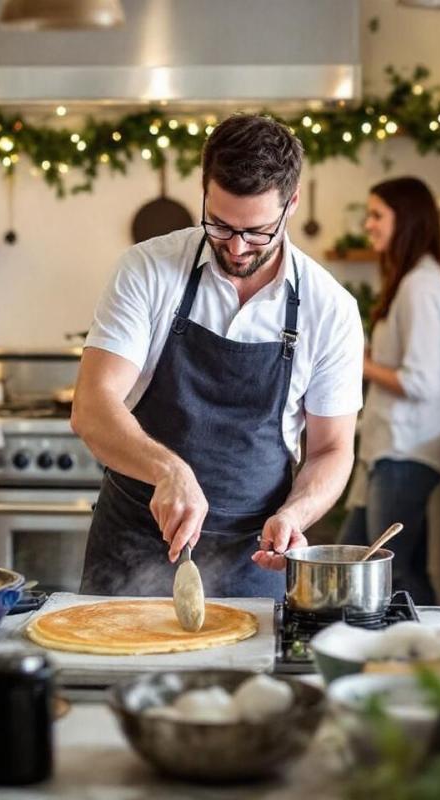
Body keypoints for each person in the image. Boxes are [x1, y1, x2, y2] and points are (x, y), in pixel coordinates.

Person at [71, 114, 364, 600]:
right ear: (204, 190)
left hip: (251, 560)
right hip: (134, 544)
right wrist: (170, 471)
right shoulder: (148, 271)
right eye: (219, 224)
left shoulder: (329, 308)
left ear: (291, 204)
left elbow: (332, 449)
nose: (235, 246)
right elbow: (92, 405)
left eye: (256, 232)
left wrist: (294, 515)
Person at [339, 176, 440, 604]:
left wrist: (358, 362)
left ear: (406, 219)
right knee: (355, 563)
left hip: (405, 451)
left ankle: (428, 658)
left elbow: (421, 380)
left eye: (377, 215)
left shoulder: (420, 286)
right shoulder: (411, 279)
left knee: (393, 574)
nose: (368, 224)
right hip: (387, 448)